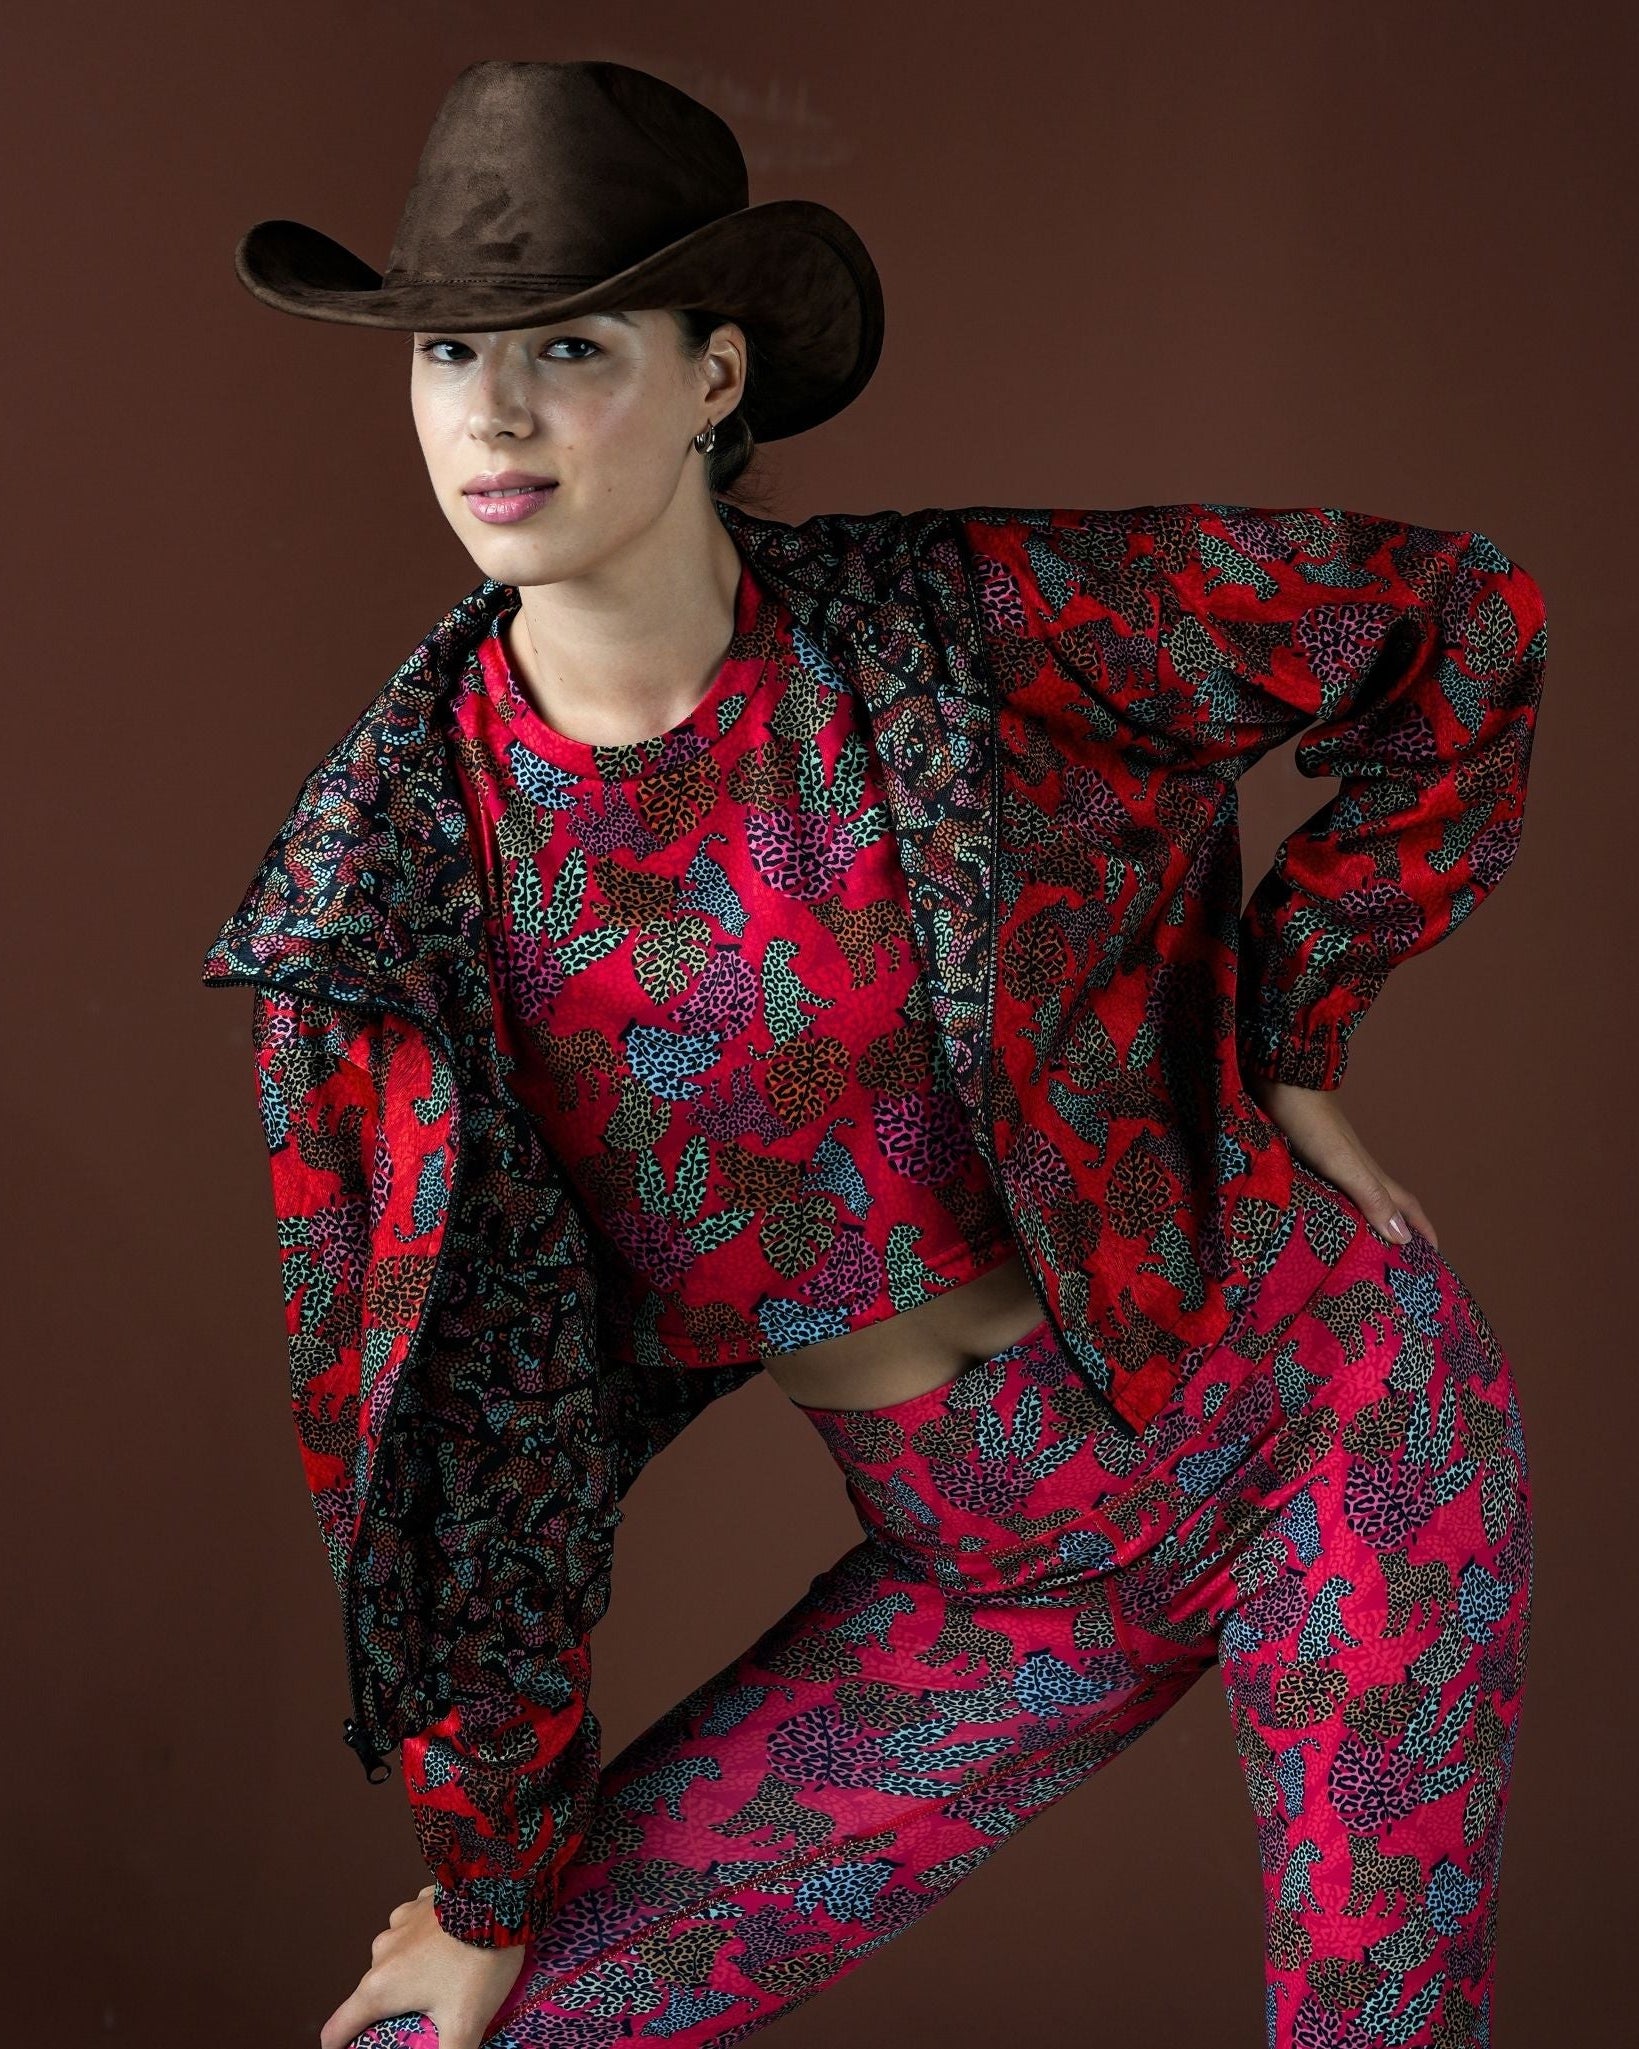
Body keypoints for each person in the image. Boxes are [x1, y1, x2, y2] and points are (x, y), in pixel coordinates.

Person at [202, 58, 1545, 2049]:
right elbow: (448, 1438)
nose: (489, 413)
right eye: (449, 353)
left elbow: (1448, 619)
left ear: (715, 374)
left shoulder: (962, 632)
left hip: (1323, 1427)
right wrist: (494, 1876)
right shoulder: (379, 898)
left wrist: (1290, 1023)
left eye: (566, 345)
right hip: (987, 1572)